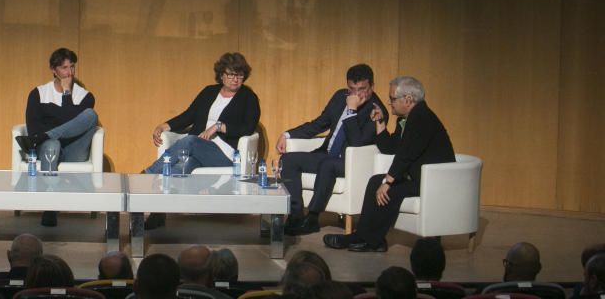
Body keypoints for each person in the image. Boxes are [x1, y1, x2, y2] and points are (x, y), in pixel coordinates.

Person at [323, 76, 455, 252]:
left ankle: (372, 241)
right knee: (374, 182)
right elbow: (391, 147)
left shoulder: (421, 118)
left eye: (393, 98)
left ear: (408, 100)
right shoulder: (408, 118)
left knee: (388, 190)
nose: (390, 103)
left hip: (434, 181)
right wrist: (379, 123)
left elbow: (406, 155)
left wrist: (388, 182)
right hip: (419, 178)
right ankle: (364, 236)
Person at [143, 52, 260, 230]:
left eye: (239, 75)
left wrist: (219, 127)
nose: (235, 79)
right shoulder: (209, 92)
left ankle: (147, 175)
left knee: (190, 141)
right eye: (231, 74)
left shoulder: (248, 97)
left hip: (225, 154)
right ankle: (158, 214)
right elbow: (189, 115)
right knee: (180, 168)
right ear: (221, 75)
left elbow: (248, 127)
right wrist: (164, 125)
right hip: (200, 150)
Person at [278, 64, 387, 235]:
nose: (357, 94)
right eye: (352, 89)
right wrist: (287, 134)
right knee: (288, 160)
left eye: (362, 89)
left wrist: (351, 111)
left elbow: (357, 143)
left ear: (372, 87)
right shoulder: (339, 97)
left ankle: (312, 218)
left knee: (327, 165)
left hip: (350, 163)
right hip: (327, 155)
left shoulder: (377, 110)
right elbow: (319, 123)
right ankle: (296, 215)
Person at [16, 47, 99, 227]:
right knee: (52, 144)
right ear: (53, 70)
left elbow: (73, 119)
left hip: (73, 149)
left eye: (72, 67)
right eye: (64, 68)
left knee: (90, 115)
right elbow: (33, 127)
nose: (69, 72)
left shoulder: (85, 96)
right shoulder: (38, 93)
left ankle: (49, 135)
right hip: (47, 147)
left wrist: (67, 93)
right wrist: (50, 135)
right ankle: (50, 207)